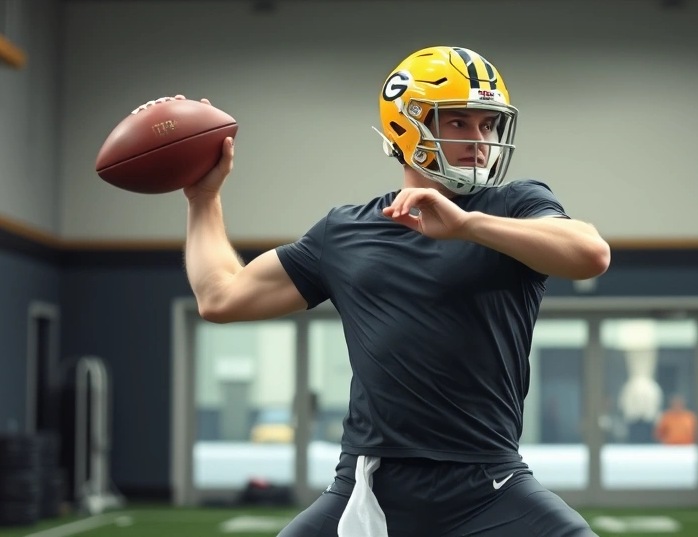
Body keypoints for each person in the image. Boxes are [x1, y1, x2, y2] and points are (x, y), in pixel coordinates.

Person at [177, 46, 611, 536]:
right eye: (460, 123)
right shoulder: (344, 231)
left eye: (488, 124)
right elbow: (220, 296)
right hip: (368, 486)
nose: (480, 140)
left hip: (487, 483)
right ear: (408, 125)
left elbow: (589, 252)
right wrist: (203, 197)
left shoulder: (512, 204)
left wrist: (468, 225)